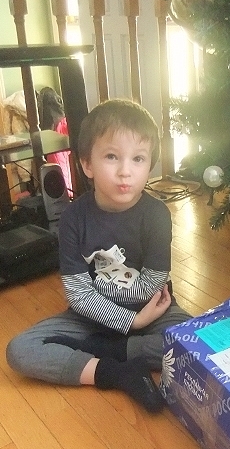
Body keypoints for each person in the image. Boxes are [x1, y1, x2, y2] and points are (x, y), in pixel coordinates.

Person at [6, 99, 191, 413]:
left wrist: (139, 318)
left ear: (150, 165)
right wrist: (131, 321)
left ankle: (106, 350)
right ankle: (114, 372)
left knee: (199, 345)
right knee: (20, 350)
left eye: (138, 159)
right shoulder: (72, 218)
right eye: (111, 157)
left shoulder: (157, 215)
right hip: (91, 317)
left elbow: (153, 284)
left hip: (153, 311)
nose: (125, 172)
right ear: (87, 164)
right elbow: (79, 295)